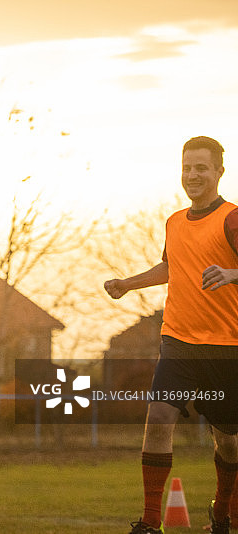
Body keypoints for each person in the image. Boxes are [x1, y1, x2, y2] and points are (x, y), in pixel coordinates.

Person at [104, 136, 238, 534]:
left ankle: (222, 510)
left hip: (226, 347)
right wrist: (128, 283)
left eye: (201, 167)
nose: (193, 175)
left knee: (228, 441)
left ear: (218, 172)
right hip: (178, 340)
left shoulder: (232, 218)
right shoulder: (174, 221)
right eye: (187, 167)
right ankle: (149, 522)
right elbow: (171, 268)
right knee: (159, 417)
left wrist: (232, 273)